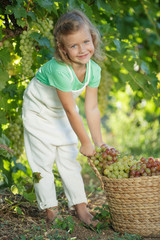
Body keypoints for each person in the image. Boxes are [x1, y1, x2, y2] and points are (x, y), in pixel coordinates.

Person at [22, 9, 105, 226]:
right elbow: (71, 110)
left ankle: (81, 207)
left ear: (93, 39)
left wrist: (98, 143)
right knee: (43, 161)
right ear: (63, 49)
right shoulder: (59, 69)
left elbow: (92, 108)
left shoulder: (93, 70)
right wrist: (84, 141)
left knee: (69, 157)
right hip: (38, 111)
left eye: (86, 41)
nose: (82, 49)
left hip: (58, 111)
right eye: (73, 45)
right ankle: (51, 211)